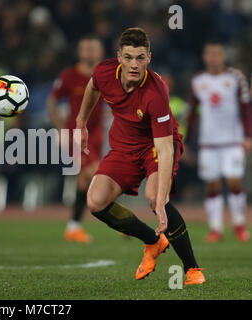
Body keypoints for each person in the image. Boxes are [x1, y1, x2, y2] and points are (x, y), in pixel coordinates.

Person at [76, 28, 205, 284]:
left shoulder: (156, 92)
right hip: (123, 147)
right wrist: (81, 121)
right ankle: (153, 241)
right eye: (128, 57)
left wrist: (160, 200)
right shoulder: (104, 71)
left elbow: (165, 148)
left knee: (156, 197)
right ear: (119, 57)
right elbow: (92, 87)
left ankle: (192, 269)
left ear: (149, 58)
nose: (134, 64)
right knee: (95, 202)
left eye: (140, 58)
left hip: (156, 146)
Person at [186, 41, 251, 243]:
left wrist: (248, 136)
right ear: (205, 57)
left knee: (233, 180)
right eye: (210, 54)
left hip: (232, 140)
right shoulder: (198, 81)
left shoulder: (235, 77)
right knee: (212, 185)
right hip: (208, 142)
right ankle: (215, 228)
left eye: (217, 53)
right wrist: (186, 142)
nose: (213, 57)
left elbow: (246, 108)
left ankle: (239, 225)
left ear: (223, 56)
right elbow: (192, 115)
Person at [47, 34, 105, 243]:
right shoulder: (69, 75)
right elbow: (52, 101)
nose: (89, 52)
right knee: (97, 174)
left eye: (92, 48)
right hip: (76, 134)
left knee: (83, 181)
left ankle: (73, 227)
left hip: (97, 133)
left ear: (100, 52)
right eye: (85, 48)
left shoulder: (106, 74)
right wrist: (60, 128)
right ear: (79, 52)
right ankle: (123, 222)